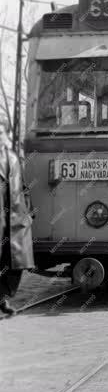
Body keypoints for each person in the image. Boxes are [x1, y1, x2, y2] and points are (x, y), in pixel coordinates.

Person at [0, 118, 34, 315]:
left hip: (15, 218)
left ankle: (2, 295)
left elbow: (22, 186)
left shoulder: (12, 157)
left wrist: (28, 211)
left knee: (17, 262)